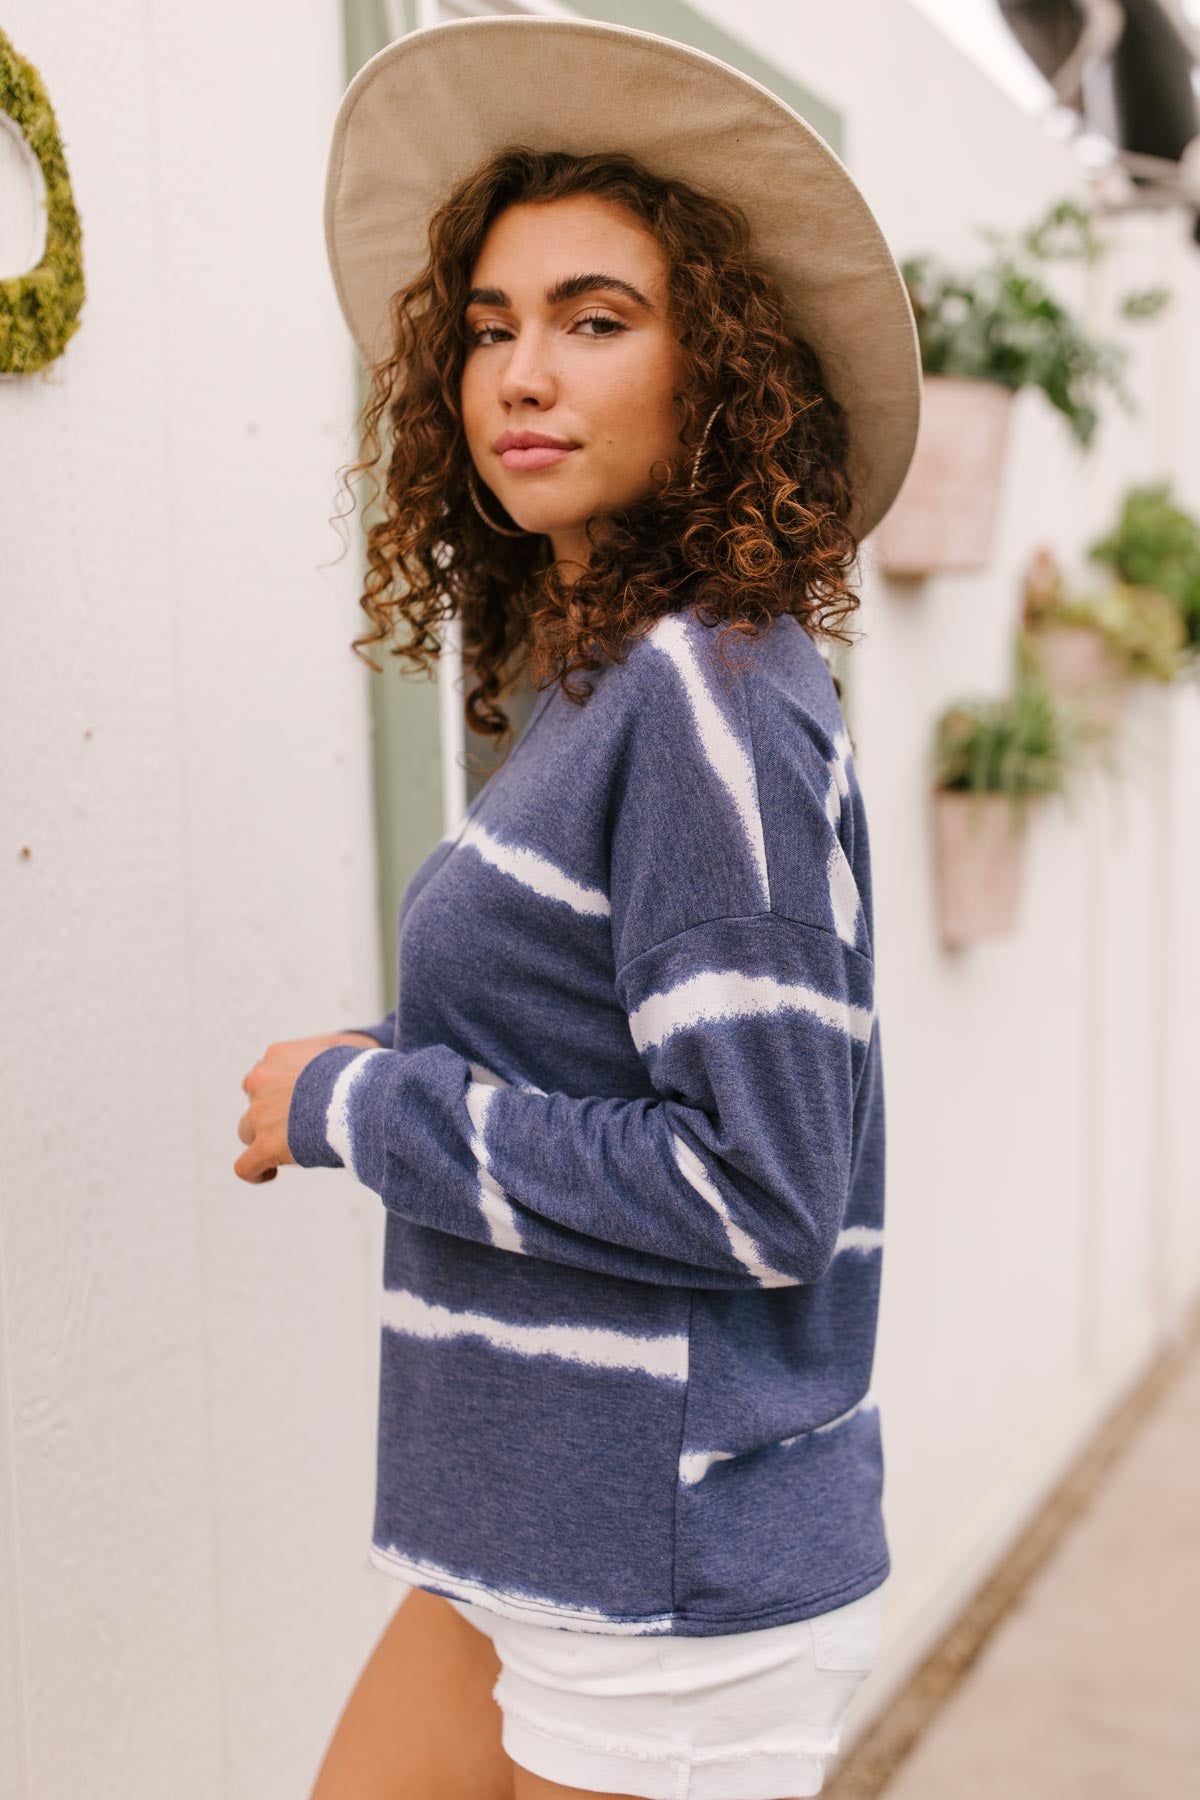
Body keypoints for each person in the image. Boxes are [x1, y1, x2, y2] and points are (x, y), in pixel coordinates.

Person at [234, 16, 920, 1799]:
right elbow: (598, 1048)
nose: (521, 373)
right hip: (544, 1523)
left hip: (666, 1578)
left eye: (594, 321)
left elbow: (761, 1184)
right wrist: (373, 1062)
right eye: (488, 328)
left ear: (719, 371)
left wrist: (364, 1108)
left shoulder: (711, 690)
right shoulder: (599, 685)